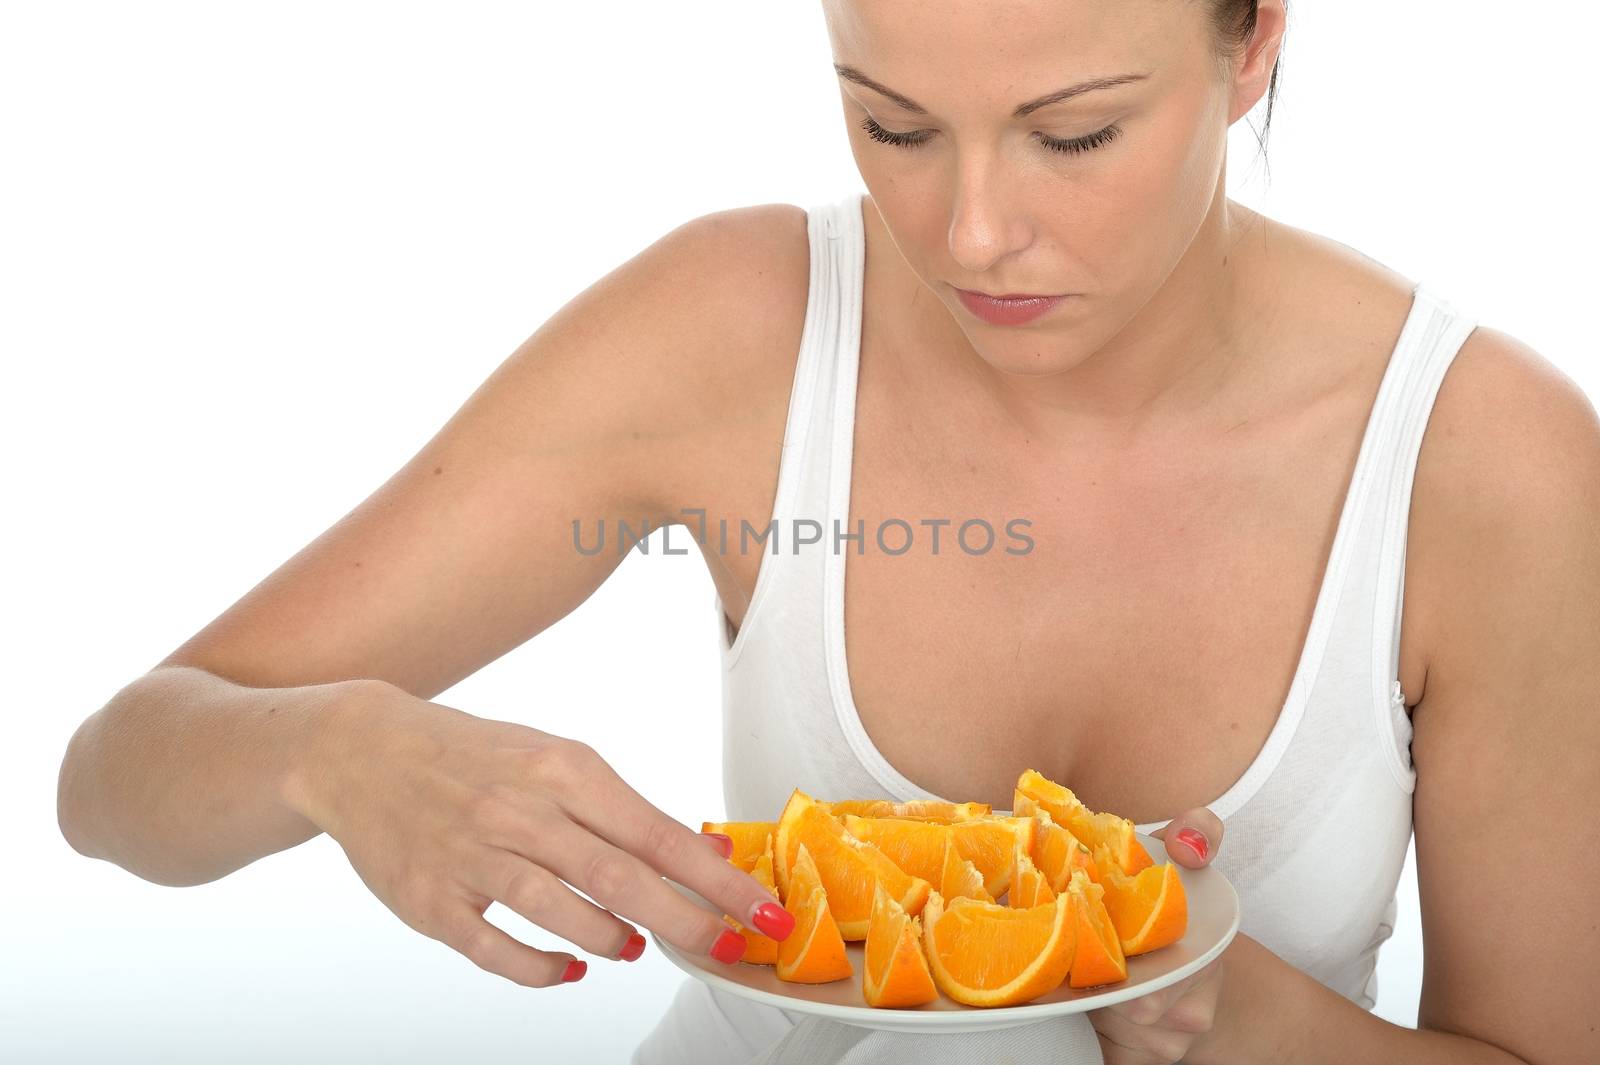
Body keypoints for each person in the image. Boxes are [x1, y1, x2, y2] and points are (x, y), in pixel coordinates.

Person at [56, 1, 1599, 1063]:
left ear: (1255, 35)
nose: (972, 232)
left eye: (1073, 137)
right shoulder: (736, 334)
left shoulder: (1486, 465)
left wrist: (1222, 1013)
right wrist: (337, 749)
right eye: (894, 124)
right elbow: (114, 773)